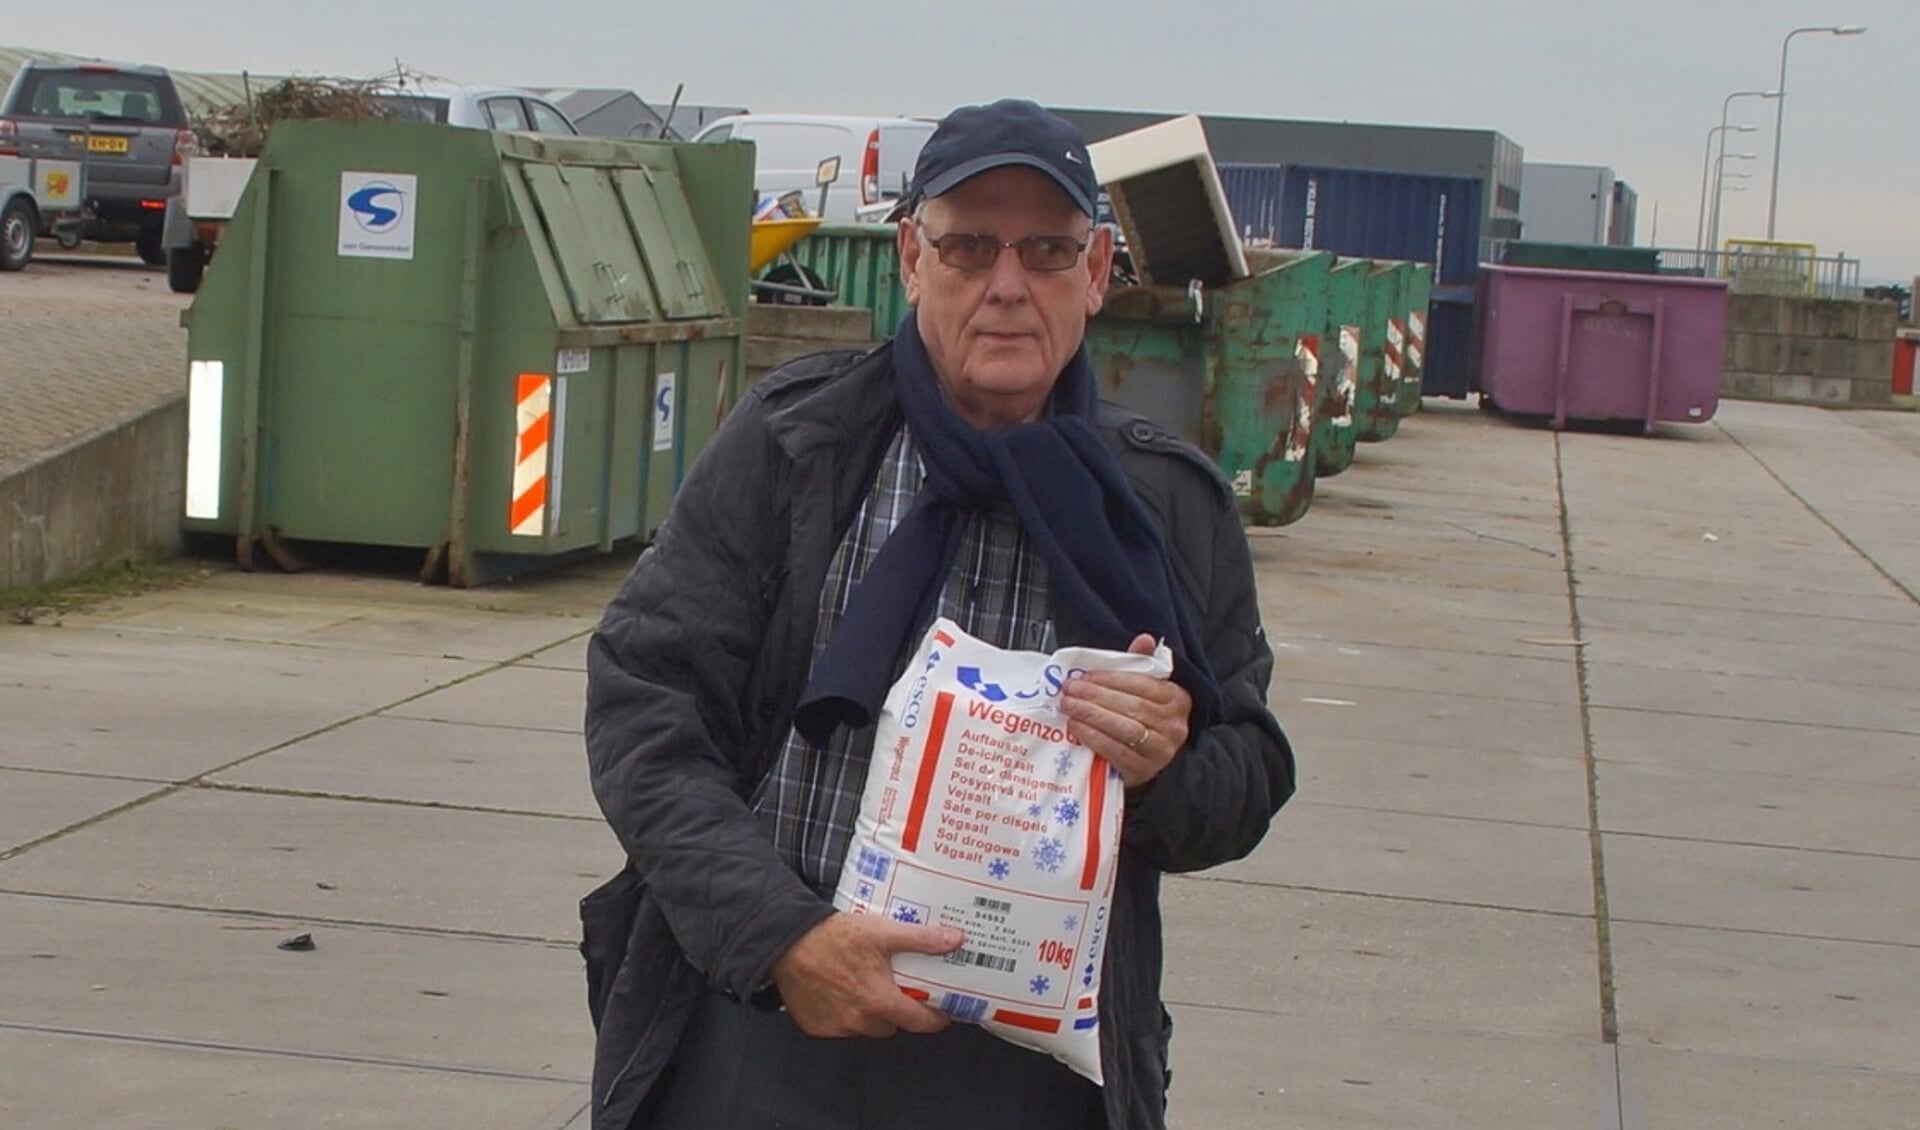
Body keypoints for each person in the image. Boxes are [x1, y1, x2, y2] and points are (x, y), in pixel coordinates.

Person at [582, 98, 1294, 1130]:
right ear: (912, 258)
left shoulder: (1165, 506)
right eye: (968, 246)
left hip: (1030, 1074)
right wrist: (780, 936)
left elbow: (1251, 772)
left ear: (1095, 273)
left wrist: (1168, 766)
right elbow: (644, 710)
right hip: (770, 1030)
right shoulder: (795, 447)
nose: (1007, 285)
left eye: (1046, 250)